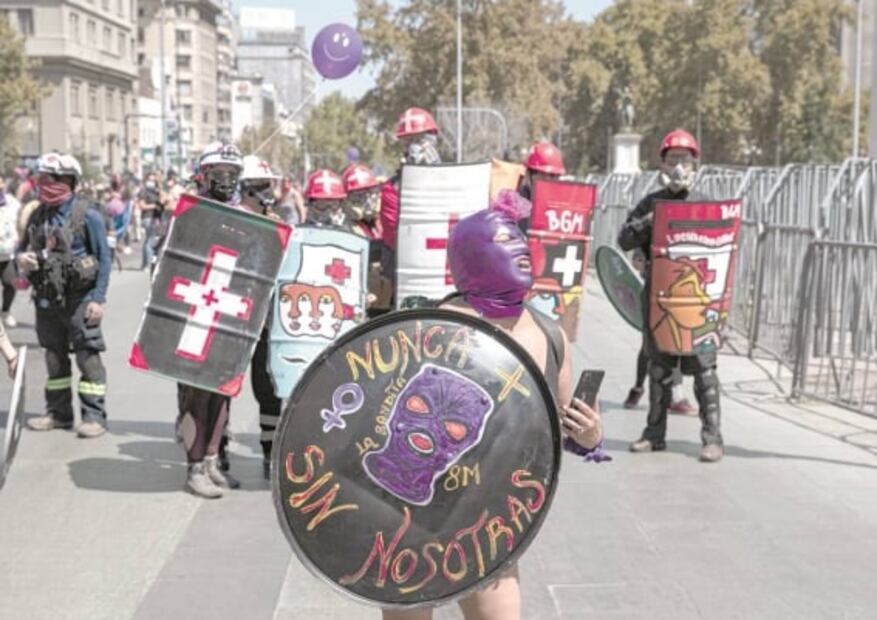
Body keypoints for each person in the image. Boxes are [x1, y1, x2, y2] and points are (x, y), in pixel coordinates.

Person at [381, 194, 605, 620]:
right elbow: (376, 414)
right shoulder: (427, 327)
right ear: (471, 255)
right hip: (404, 519)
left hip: (487, 526)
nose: (520, 246)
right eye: (505, 238)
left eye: (520, 236)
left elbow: (564, 430)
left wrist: (589, 433)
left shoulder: (550, 333)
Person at [618, 129, 724, 463]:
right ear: (662, 163)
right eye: (673, 158)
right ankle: (654, 434)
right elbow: (623, 239)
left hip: (697, 303)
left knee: (704, 371)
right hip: (660, 299)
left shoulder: (707, 203)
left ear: (696, 162)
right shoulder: (652, 202)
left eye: (685, 159)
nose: (679, 165)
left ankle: (713, 439)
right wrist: (651, 221)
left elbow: (724, 249)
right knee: (659, 370)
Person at [17, 153, 111, 438]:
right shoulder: (37, 214)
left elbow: (104, 259)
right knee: (54, 358)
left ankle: (94, 416)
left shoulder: (88, 215)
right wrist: (24, 260)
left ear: (70, 181)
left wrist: (98, 298)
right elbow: (21, 250)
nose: (47, 184)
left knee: (87, 357)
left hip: (80, 299)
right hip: (47, 298)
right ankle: (58, 414)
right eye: (43, 178)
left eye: (53, 179)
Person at [175, 142, 244, 497]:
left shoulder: (243, 218)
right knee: (194, 398)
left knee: (222, 393)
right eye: (219, 174)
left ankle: (214, 461)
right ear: (203, 176)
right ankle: (194, 466)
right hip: (194, 316)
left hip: (226, 316)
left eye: (232, 174)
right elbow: (169, 265)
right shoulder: (189, 212)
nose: (226, 180)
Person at [238, 155, 286, 478]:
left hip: (268, 318)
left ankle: (270, 454)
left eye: (268, 185)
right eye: (260, 186)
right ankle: (215, 454)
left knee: (267, 386)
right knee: (222, 388)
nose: (266, 192)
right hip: (236, 314)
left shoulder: (279, 222)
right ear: (245, 189)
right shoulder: (230, 220)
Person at [622, 248, 696, 415]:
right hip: (654, 285)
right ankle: (639, 387)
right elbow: (631, 240)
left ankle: (676, 395)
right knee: (650, 342)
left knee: (675, 340)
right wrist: (641, 257)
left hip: (679, 285)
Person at [379, 107, 442, 295]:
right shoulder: (392, 190)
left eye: (422, 139)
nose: (417, 147)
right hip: (408, 277)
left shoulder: (453, 182)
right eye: (410, 141)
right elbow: (396, 238)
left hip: (444, 271)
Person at [0, 174, 22, 327]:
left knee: (11, 284)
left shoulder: (13, 203)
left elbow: (21, 223)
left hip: (7, 253)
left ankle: (5, 311)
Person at [342, 163, 383, 240]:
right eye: (358, 196)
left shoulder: (384, 222)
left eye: (371, 191)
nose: (367, 200)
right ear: (345, 201)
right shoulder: (344, 231)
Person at [137, 172, 167, 271]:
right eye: (150, 180)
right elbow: (141, 205)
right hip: (148, 217)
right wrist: (153, 206)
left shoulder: (155, 191)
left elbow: (163, 198)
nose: (152, 182)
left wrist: (159, 185)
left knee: (148, 240)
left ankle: (145, 264)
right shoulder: (143, 191)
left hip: (155, 217)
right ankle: (149, 264)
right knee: (150, 240)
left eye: (153, 180)